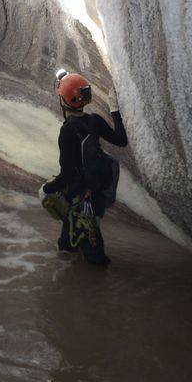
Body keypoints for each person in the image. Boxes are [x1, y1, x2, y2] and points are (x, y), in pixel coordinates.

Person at [41, 70, 127, 265]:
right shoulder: (94, 120)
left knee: (95, 257)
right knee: (67, 246)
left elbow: (68, 173)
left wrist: (48, 188)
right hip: (96, 188)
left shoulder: (67, 131)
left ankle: (95, 288)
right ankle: (80, 281)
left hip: (81, 196)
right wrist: (115, 110)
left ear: (64, 101)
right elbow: (121, 140)